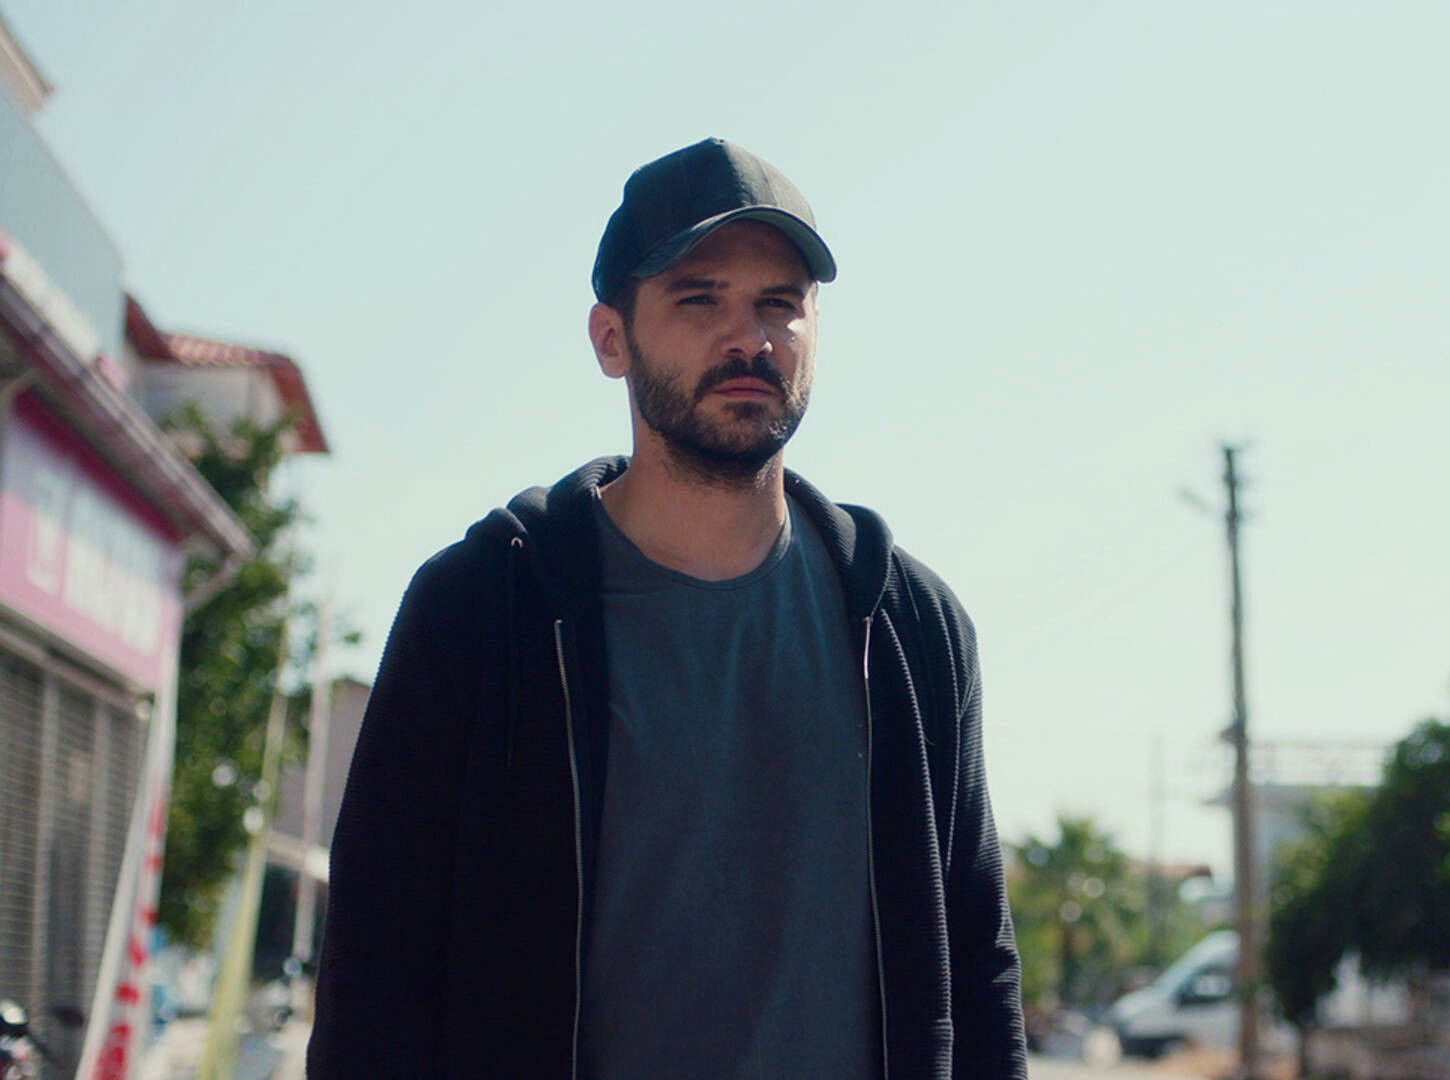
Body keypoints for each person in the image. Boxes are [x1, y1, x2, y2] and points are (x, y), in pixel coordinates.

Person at [308, 138, 1026, 1079]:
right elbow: (376, 969)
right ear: (611, 339)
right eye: (700, 300)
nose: (749, 339)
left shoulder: (909, 625)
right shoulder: (484, 609)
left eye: (780, 305)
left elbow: (977, 962)